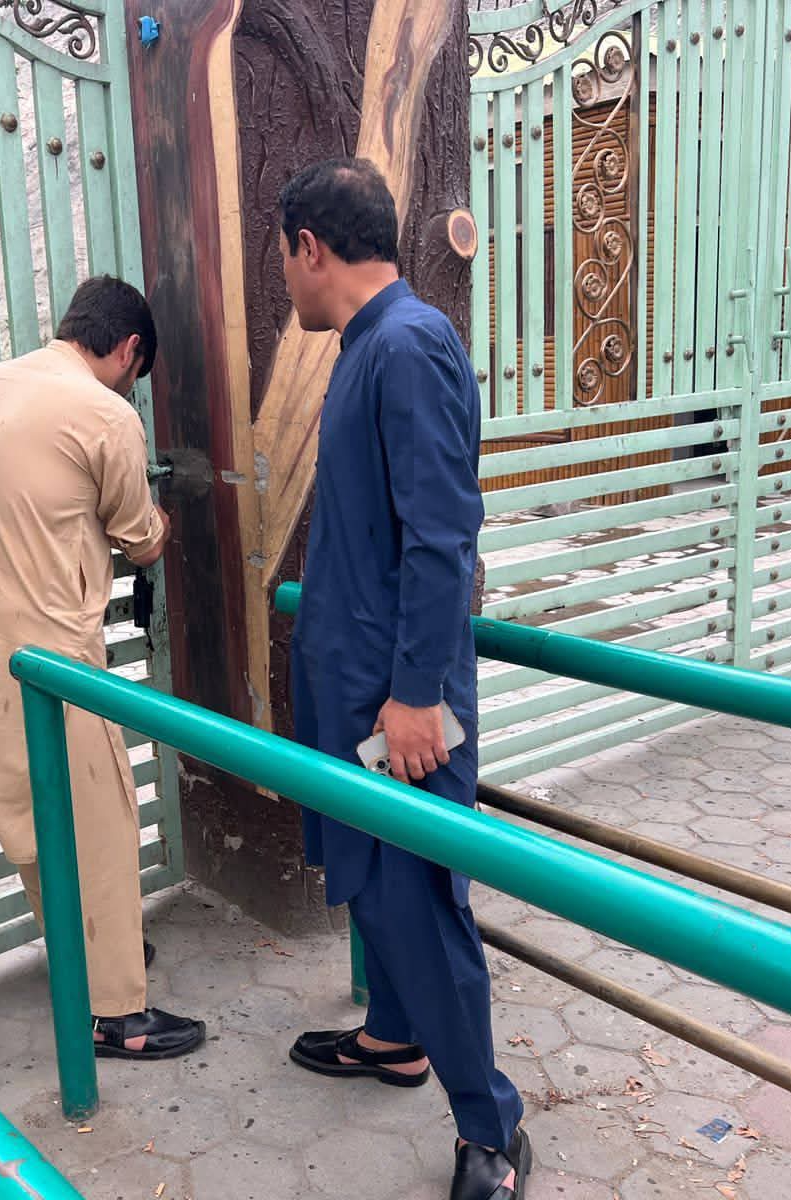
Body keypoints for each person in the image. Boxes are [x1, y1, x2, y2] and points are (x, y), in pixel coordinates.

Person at [276, 159, 529, 1199]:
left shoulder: (408, 344)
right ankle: (392, 1036)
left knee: (418, 899)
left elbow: (441, 534)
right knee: (374, 885)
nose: (284, 277)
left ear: (309, 247)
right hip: (357, 685)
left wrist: (419, 692)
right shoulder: (367, 346)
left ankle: (492, 1129)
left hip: (400, 702)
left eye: (282, 256)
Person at [0, 276, 205, 1061]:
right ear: (129, 350)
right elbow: (140, 539)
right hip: (54, 656)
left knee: (32, 814)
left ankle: (87, 955)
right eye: (135, 374)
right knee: (103, 818)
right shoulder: (104, 414)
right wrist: (164, 518)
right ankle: (117, 1016)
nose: (130, 387)